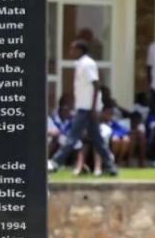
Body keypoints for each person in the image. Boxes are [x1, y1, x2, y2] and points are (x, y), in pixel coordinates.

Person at [48, 41, 116, 176]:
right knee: (97, 139)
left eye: (73, 49)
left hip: (86, 109)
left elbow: (96, 85)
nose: (70, 52)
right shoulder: (80, 63)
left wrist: (93, 108)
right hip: (84, 107)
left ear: (79, 50)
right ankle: (110, 167)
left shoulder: (87, 63)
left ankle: (55, 162)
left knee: (72, 137)